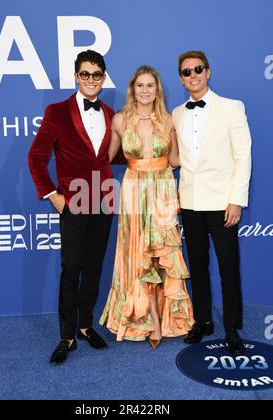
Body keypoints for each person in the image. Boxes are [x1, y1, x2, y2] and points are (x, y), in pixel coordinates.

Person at [28, 50, 118, 365]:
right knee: (72, 268)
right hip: (73, 200)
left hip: (105, 199)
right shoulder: (56, 111)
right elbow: (36, 157)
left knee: (94, 267)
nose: (91, 79)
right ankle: (66, 336)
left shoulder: (110, 113)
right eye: (85, 74)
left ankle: (85, 325)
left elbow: (114, 156)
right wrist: (52, 194)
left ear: (103, 78)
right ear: (76, 76)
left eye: (96, 74)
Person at [100, 65, 194, 348]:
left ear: (157, 89)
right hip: (133, 190)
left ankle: (167, 317)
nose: (144, 90)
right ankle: (148, 318)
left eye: (149, 85)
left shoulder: (169, 120)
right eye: (139, 85)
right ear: (132, 89)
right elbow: (104, 158)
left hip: (163, 188)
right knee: (138, 254)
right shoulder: (119, 121)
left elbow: (176, 160)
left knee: (161, 255)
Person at [172, 51, 252, 356]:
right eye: (186, 72)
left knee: (229, 269)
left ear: (208, 72)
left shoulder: (232, 108)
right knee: (199, 267)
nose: (192, 75)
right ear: (180, 78)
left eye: (197, 69)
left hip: (222, 203)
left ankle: (232, 329)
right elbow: (177, 158)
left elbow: (243, 156)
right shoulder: (177, 113)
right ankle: (202, 321)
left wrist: (236, 200)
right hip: (190, 201)